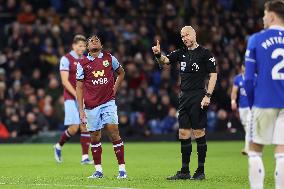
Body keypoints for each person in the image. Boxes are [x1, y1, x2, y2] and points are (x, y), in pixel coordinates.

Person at [152, 26, 217, 180]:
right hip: (184, 97)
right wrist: (157, 54)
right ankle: (185, 171)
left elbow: (213, 75)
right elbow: (165, 61)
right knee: (183, 133)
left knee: (199, 132)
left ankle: (200, 171)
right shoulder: (180, 52)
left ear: (194, 34)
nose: (185, 38)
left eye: (187, 35)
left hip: (198, 95)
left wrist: (207, 95)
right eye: (182, 36)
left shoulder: (205, 53)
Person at [244, 1, 284, 189]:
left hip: (264, 100)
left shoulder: (256, 39)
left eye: (265, 13)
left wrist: (252, 102)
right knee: (282, 153)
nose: (263, 17)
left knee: (255, 151)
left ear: (272, 16)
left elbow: (248, 79)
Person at [76, 35, 126, 179]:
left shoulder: (109, 58)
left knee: (113, 130)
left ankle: (122, 169)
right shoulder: (83, 63)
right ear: (87, 47)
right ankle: (98, 171)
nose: (94, 40)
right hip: (91, 106)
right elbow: (79, 88)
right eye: (91, 40)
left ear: (101, 45)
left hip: (108, 102)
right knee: (95, 136)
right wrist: (81, 110)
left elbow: (121, 73)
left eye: (97, 39)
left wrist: (114, 90)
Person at [53, 35, 92, 164]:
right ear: (74, 46)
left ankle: (85, 158)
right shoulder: (66, 59)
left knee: (85, 126)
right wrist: (76, 94)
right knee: (74, 127)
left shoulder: (86, 59)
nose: (82, 48)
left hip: (83, 97)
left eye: (84, 46)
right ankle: (58, 146)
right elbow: (64, 81)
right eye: (80, 46)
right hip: (70, 97)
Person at [231, 64, 250, 155]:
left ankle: (247, 148)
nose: (245, 68)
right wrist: (233, 101)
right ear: (241, 67)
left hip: (251, 106)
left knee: (249, 126)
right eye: (244, 66)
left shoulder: (253, 77)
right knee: (245, 126)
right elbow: (234, 91)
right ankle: (252, 143)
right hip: (242, 106)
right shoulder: (238, 78)